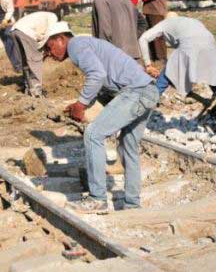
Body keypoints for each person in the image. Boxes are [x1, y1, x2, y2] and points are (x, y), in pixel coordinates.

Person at [44, 21, 158, 214]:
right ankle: (132, 204)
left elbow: (97, 75)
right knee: (128, 144)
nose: (49, 53)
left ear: (60, 39)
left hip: (135, 92)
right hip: (147, 90)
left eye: (50, 47)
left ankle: (97, 199)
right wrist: (82, 105)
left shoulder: (76, 46)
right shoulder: (86, 44)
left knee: (93, 134)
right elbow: (106, 82)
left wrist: (81, 105)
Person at [139, 12, 216, 131]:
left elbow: (143, 38)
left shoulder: (165, 23)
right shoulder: (192, 21)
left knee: (162, 82)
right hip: (209, 45)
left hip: (189, 46)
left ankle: (135, 117)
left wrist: (148, 64)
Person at [77, 0, 141, 59]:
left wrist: (104, 57)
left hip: (115, 57)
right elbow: (142, 23)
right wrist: (131, 39)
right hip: (133, 55)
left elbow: (105, 32)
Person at [10, 11, 58, 97]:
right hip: (27, 32)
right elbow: (47, 36)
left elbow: (42, 35)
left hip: (15, 30)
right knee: (36, 59)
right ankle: (36, 90)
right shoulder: (53, 19)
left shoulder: (44, 17)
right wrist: (43, 50)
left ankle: (28, 86)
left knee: (25, 60)